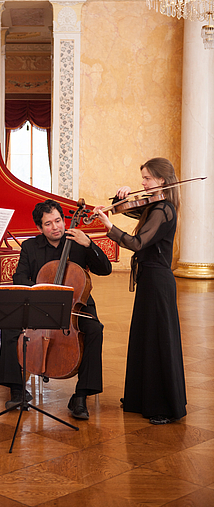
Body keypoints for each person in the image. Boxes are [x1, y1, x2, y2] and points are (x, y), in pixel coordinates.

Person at [0, 199, 112, 419]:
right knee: (9, 328)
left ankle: (81, 396)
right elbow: (20, 277)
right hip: (40, 305)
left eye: (58, 221)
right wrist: (41, 291)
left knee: (94, 330)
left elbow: (105, 269)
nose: (55, 227)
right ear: (39, 228)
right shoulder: (30, 247)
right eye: (48, 224)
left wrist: (89, 244)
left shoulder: (78, 242)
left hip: (75, 306)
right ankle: (17, 390)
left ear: (64, 220)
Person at [93, 157, 187, 425]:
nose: (143, 183)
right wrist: (118, 199)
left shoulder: (164, 210)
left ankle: (162, 406)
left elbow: (136, 243)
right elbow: (132, 211)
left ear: (161, 180)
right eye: (142, 178)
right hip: (150, 280)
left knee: (158, 341)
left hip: (158, 283)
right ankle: (139, 398)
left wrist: (109, 227)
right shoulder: (155, 206)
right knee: (145, 337)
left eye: (147, 178)